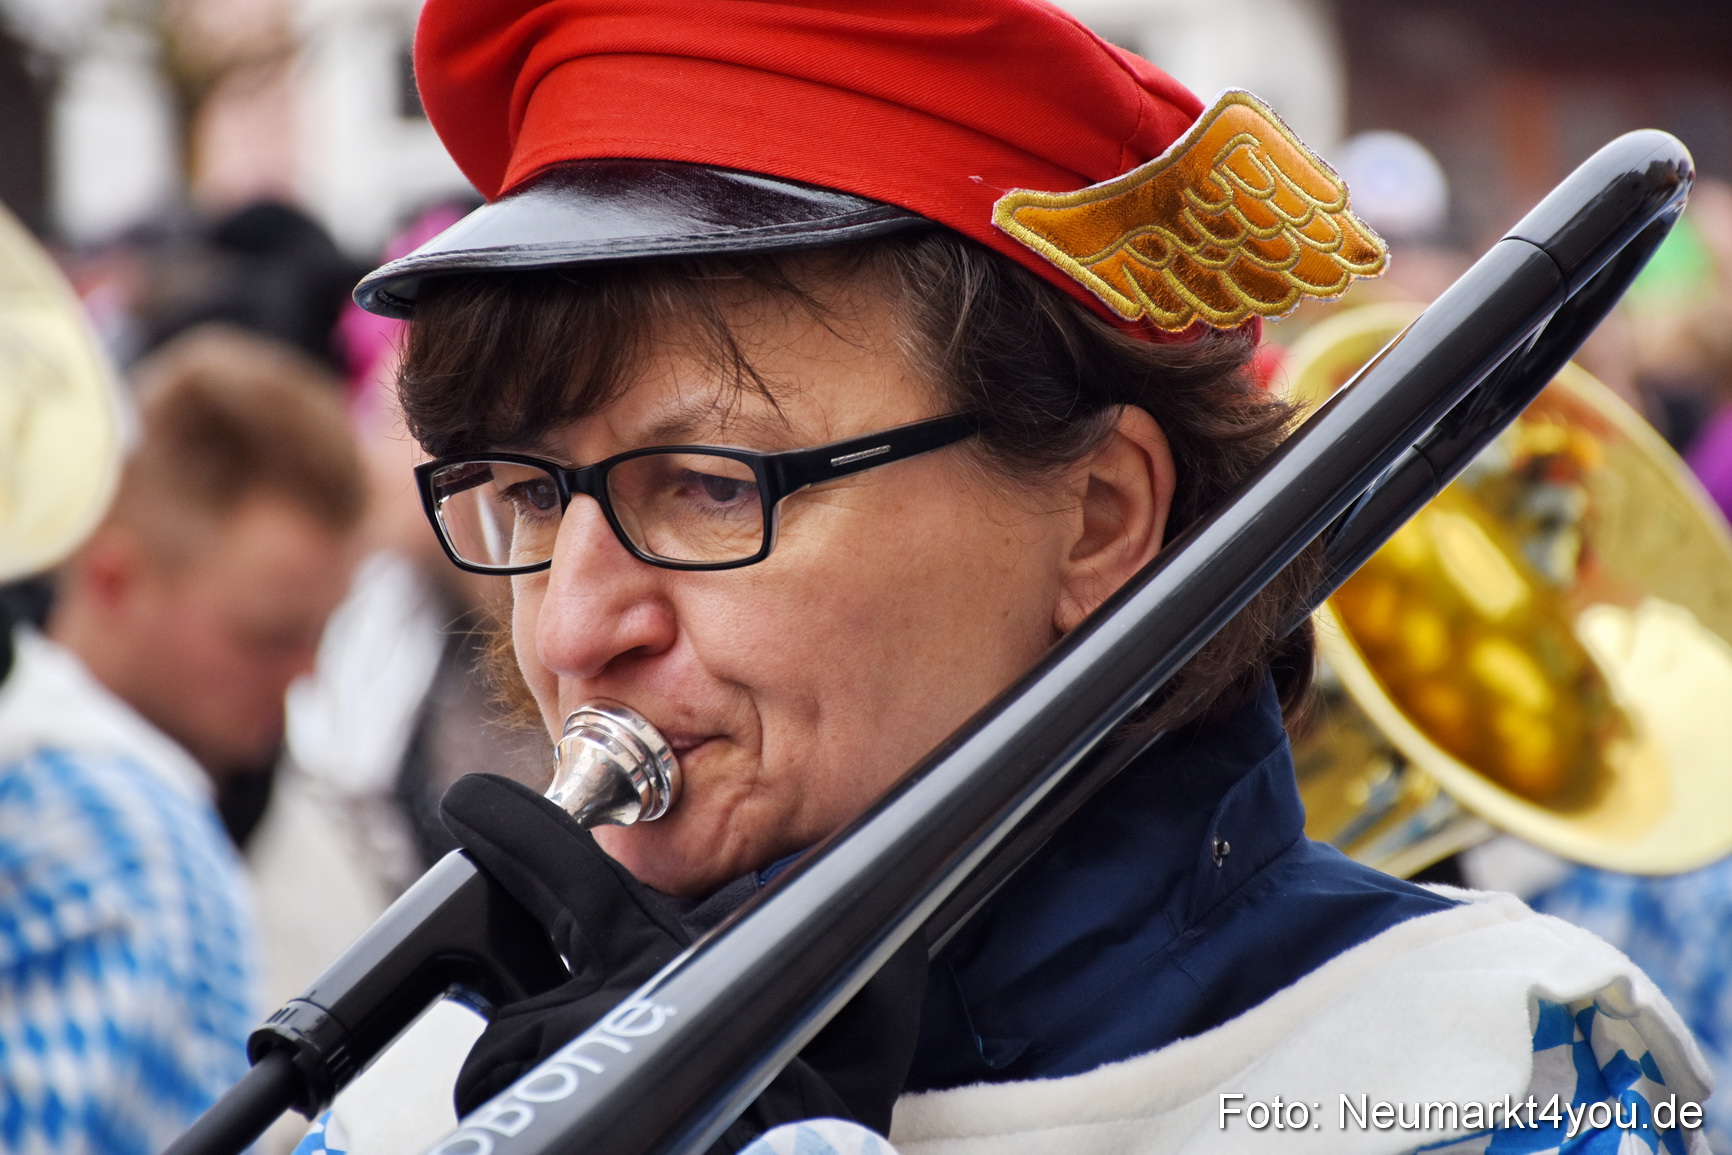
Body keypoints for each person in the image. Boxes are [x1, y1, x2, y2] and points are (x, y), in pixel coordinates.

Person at [304, 2, 1711, 1153]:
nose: (574, 623)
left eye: (714, 484)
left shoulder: (1515, 1064)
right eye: (535, 491)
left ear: (1097, 515)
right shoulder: (424, 1096)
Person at [0, 324, 364, 1155]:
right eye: (267, 634)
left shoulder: (320, 866)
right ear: (111, 575)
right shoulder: (76, 832)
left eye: (319, 634)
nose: (304, 674)